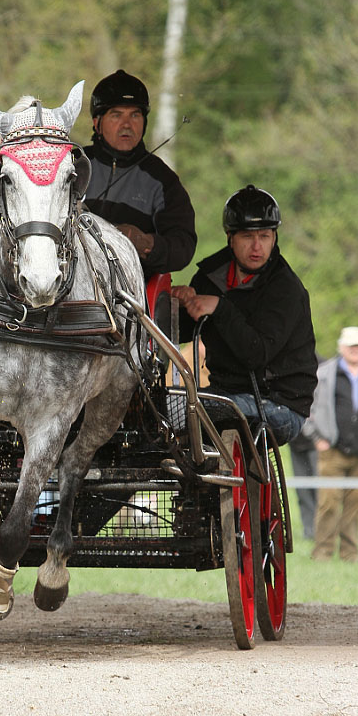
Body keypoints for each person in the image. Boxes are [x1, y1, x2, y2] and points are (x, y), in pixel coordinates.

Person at [171, 184, 317, 446]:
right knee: (162, 409)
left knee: (193, 411)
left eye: (265, 236)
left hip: (279, 404)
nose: (257, 247)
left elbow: (256, 354)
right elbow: (181, 333)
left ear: (275, 237)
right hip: (225, 393)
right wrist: (180, 305)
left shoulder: (286, 289)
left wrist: (219, 307)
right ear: (230, 237)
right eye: (248, 237)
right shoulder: (210, 277)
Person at [83, 69, 197, 280]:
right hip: (68, 287)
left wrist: (147, 244)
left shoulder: (163, 180)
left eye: (135, 115)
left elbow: (184, 245)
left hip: (131, 296)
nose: (126, 124)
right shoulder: (73, 165)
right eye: (116, 115)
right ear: (96, 122)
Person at [304, 326, 358, 562]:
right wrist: (316, 437)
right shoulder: (323, 374)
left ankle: (350, 554)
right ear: (341, 347)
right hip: (331, 451)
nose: (355, 350)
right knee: (329, 503)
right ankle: (322, 553)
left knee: (355, 504)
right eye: (351, 345)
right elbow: (306, 408)